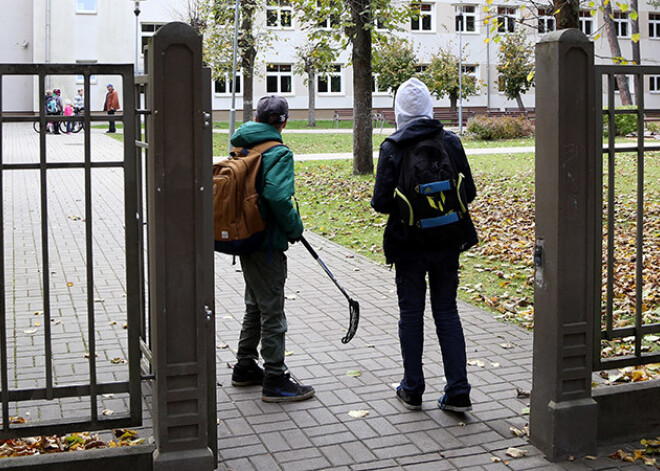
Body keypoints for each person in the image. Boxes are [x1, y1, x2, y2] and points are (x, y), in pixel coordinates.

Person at [371, 78, 478, 412]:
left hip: (408, 244)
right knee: (446, 310)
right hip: (447, 242)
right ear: (430, 107)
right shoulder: (451, 142)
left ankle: (413, 387)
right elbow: (469, 193)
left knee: (411, 313)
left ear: (398, 111)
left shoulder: (392, 147)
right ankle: (458, 390)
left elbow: (380, 201)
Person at [229, 95, 314, 403]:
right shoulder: (278, 152)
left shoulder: (242, 145)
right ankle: (275, 378)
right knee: (272, 309)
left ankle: (245, 365)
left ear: (258, 118)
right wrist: (295, 228)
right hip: (266, 242)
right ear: (284, 122)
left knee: (255, 302)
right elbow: (277, 196)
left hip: (245, 236)